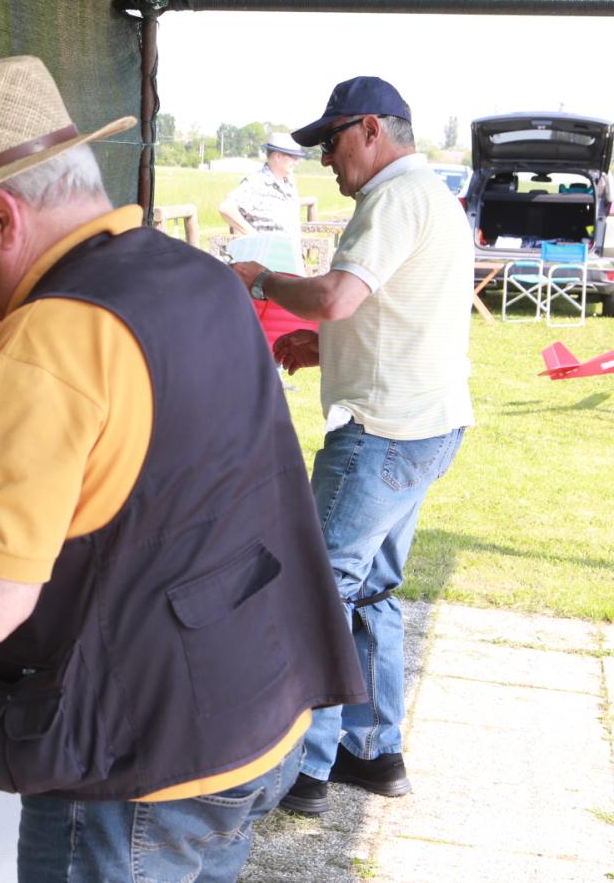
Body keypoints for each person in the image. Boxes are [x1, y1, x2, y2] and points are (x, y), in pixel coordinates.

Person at [0, 55, 363, 882]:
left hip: (136, 766)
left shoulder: (50, 332)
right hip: (256, 709)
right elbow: (166, 444)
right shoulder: (198, 276)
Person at [231, 76, 473, 818]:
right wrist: (324, 343)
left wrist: (265, 279)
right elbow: (387, 310)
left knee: (317, 588)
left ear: (371, 129)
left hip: (382, 434)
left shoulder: (393, 196)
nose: (326, 162)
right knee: (371, 590)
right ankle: (373, 752)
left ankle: (304, 768)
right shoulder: (428, 193)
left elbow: (339, 294)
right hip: (428, 424)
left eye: (331, 143)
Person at [219, 131, 307, 241]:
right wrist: (255, 236)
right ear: (278, 156)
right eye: (294, 157)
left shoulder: (289, 183)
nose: (297, 162)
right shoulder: (257, 182)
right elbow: (226, 208)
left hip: (289, 255)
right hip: (266, 255)